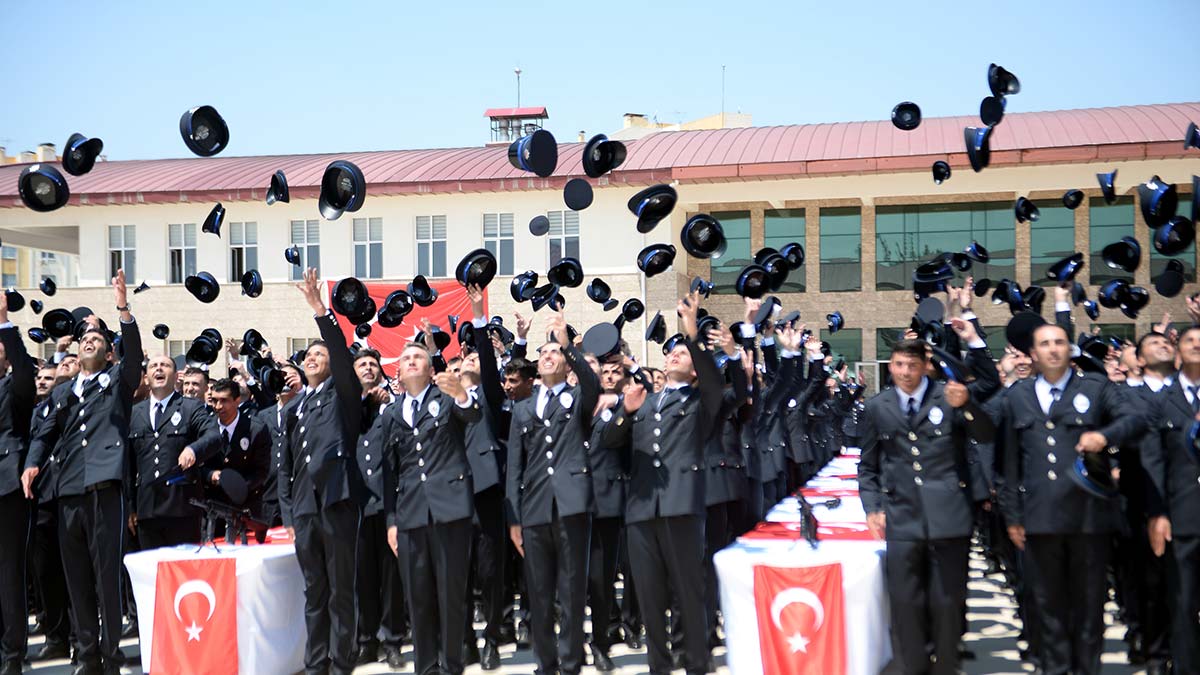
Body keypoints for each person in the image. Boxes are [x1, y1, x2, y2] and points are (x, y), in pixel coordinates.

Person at [995, 322, 1143, 675]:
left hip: (1088, 519)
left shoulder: (1094, 388)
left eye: (1060, 342)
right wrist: (1013, 517)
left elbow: (1135, 418)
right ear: (1033, 353)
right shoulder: (1017, 396)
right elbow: (1008, 464)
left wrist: (1104, 437)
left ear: (1069, 349)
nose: (1053, 349)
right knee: (1048, 609)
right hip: (1040, 520)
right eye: (1045, 343)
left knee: (1090, 608)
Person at [603, 289, 738, 675]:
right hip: (642, 510)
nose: (672, 355)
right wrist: (624, 414)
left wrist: (691, 331)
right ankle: (658, 667)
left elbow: (715, 381)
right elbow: (610, 442)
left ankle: (697, 665)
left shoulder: (700, 401)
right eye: (670, 352)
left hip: (681, 505)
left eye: (681, 354)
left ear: (695, 368)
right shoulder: (644, 401)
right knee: (649, 595)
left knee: (689, 592)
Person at [22, 270, 141, 675]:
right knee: (76, 579)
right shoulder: (61, 392)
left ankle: (111, 654)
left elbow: (136, 357)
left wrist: (123, 308)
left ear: (109, 353)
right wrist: (32, 463)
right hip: (68, 490)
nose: (90, 340)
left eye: (99, 340)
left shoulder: (117, 381)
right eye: (85, 338)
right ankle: (87, 655)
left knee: (106, 576)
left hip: (104, 487)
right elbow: (44, 433)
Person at [857, 338, 995, 674]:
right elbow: (868, 466)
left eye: (913, 365)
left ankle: (947, 667)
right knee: (906, 604)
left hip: (949, 517)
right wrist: (872, 507)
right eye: (899, 365)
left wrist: (967, 406)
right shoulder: (878, 406)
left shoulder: (948, 397)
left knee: (947, 603)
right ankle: (913, 667)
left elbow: (987, 434)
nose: (905, 372)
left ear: (925, 367)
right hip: (902, 518)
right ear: (890, 366)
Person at [279, 268, 365, 675]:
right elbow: (287, 466)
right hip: (306, 509)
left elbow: (343, 359)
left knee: (339, 592)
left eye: (321, 355)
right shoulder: (295, 407)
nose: (313, 358)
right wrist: (290, 515)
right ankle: (315, 664)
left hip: (337, 501)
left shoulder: (342, 393)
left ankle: (341, 660)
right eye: (309, 355)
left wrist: (320, 311)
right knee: (314, 591)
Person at [506, 311, 600, 675]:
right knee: (539, 592)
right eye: (543, 353)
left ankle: (572, 662)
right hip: (534, 510)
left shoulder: (577, 397)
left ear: (565, 362)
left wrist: (568, 344)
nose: (548, 356)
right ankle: (546, 664)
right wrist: (514, 517)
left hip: (572, 505)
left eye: (554, 353)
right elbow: (514, 466)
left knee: (572, 589)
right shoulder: (522, 408)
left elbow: (592, 384)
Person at [382, 336, 479, 675]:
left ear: (429, 367)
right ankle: (426, 668)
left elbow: (473, 414)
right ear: (398, 370)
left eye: (418, 357)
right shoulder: (391, 412)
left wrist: (461, 393)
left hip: (450, 510)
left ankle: (452, 666)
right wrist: (392, 521)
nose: (411, 361)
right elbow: (389, 471)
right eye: (406, 357)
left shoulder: (447, 397)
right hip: (411, 516)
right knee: (418, 599)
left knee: (451, 596)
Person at [1142, 324, 1200, 674]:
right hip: (1182, 517)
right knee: (1183, 603)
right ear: (1179, 350)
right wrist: (1157, 513)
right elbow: (1153, 462)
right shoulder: (1162, 402)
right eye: (1190, 340)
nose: (1197, 345)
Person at [458, 286, 509, 670]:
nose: (470, 362)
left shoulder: (490, 396)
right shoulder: (444, 400)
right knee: (457, 572)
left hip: (488, 493)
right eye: (464, 360)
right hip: (450, 495)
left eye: (476, 358)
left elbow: (489, 365)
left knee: (491, 572)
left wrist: (478, 317)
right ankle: (465, 641)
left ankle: (492, 638)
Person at [127, 355, 221, 549]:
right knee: (152, 574)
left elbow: (214, 436)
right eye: (154, 366)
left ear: (176, 375)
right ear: (146, 378)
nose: (159, 369)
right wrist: (130, 507)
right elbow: (128, 465)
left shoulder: (190, 407)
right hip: (147, 509)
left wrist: (193, 449)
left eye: (165, 365)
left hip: (182, 507)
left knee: (183, 573)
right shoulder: (134, 413)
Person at [352, 347, 407, 670]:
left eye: (373, 364)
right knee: (363, 580)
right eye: (363, 364)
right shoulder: (347, 409)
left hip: (388, 504)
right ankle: (366, 642)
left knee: (391, 581)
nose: (369, 368)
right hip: (357, 506)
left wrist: (387, 403)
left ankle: (393, 641)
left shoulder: (392, 408)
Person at [0, 292, 35, 675]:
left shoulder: (14, 387)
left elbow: (25, 371)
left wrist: (4, 323)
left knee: (8, 573)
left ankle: (13, 655)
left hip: (7, 487)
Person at [27, 363, 72, 663]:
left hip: (70, 496)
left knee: (75, 573)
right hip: (42, 499)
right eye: (41, 379)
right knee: (46, 573)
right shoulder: (34, 414)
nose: (44, 383)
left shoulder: (75, 407)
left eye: (51, 379)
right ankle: (56, 637)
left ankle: (82, 640)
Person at [203, 378, 272, 541]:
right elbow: (198, 465)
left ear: (237, 400)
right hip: (213, 510)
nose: (218, 406)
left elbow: (261, 470)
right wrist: (211, 475)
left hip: (246, 508)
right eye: (215, 401)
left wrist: (236, 486)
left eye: (224, 401)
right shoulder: (206, 427)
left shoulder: (255, 428)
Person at [254, 361, 304, 534]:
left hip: (297, 492)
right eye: (280, 377)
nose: (285, 381)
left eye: (290, 377)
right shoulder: (263, 415)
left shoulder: (307, 409)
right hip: (268, 494)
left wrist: (301, 391)